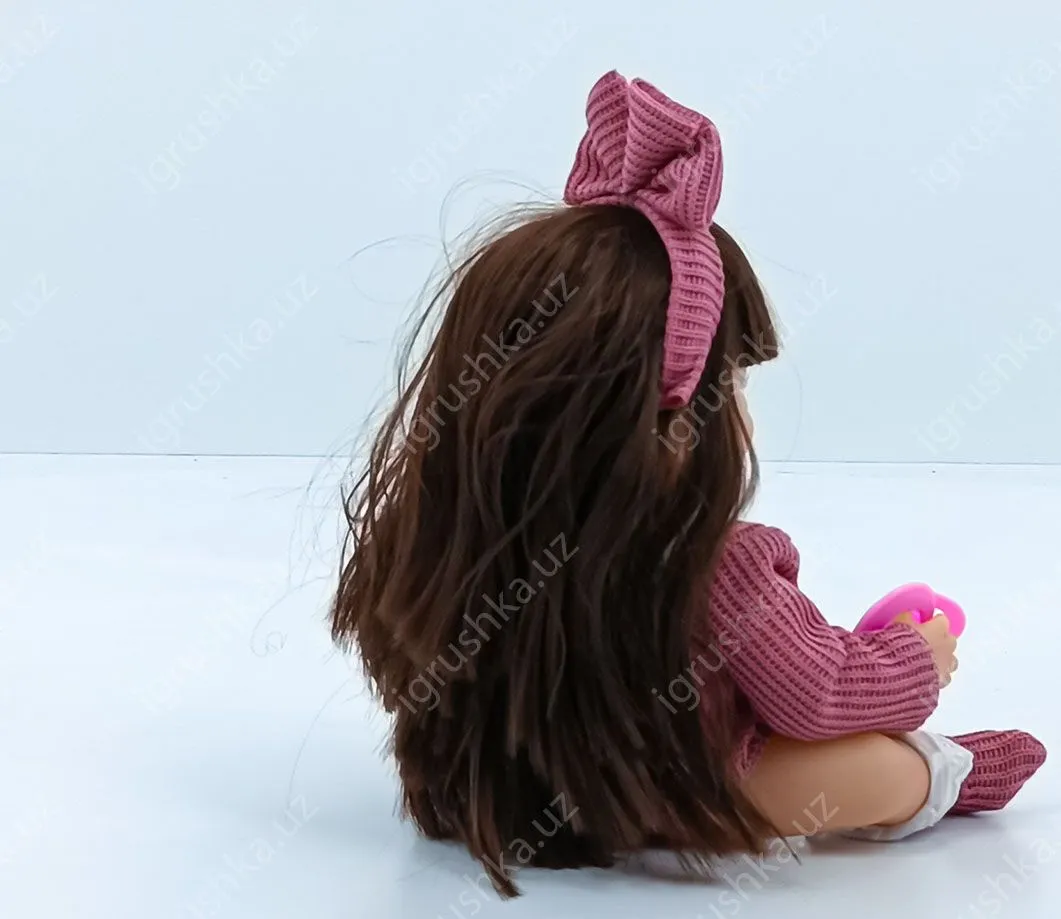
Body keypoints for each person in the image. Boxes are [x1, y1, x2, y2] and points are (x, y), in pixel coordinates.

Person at [331, 70, 1046, 898]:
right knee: (876, 765)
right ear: (672, 425)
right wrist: (912, 658)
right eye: (730, 381)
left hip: (518, 786)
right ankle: (946, 773)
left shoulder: (442, 537)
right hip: (666, 795)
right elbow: (817, 691)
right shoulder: (711, 568)